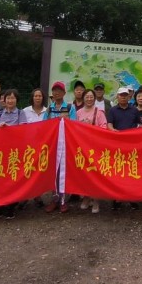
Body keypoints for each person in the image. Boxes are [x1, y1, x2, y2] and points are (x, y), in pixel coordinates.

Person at [0, 90, 28, 219]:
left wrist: (9, 128)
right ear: (4, 100)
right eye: (8, 98)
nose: (10, 101)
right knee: (2, 178)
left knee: (14, 177)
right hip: (2, 151)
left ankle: (12, 204)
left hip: (15, 151)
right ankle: (2, 203)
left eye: (13, 98)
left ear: (16, 100)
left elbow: (23, 130)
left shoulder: (20, 113)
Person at [106, 87, 141, 212]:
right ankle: (117, 199)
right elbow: (109, 124)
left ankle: (132, 198)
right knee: (119, 172)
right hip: (117, 146)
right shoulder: (113, 110)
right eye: (121, 95)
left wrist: (137, 129)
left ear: (129, 96)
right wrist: (112, 130)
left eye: (125, 95)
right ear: (117, 96)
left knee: (132, 172)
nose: (123, 97)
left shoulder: (134, 110)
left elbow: (139, 124)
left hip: (132, 146)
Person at [44, 82, 76, 213]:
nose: (56, 93)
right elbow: (44, 126)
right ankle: (55, 198)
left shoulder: (70, 107)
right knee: (54, 172)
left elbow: (73, 125)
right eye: (54, 90)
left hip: (65, 144)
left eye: (59, 90)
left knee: (63, 170)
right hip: (53, 144)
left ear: (64, 93)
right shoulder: (49, 109)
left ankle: (63, 199)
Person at [76, 89, 108, 214]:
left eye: (91, 97)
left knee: (95, 173)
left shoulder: (99, 112)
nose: (89, 99)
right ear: (83, 98)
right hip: (82, 147)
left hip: (95, 146)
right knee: (84, 173)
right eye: (87, 97)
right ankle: (86, 197)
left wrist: (92, 129)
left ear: (94, 98)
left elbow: (104, 127)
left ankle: (96, 200)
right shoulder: (78, 112)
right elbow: (73, 127)